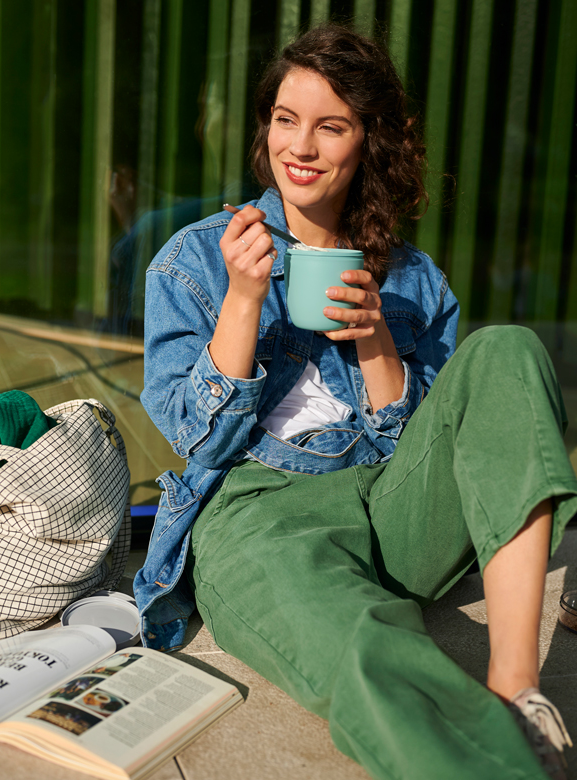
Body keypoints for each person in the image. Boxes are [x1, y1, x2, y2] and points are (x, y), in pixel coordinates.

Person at [134, 24, 577, 780]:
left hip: (391, 507)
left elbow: (446, 453)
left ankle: (516, 688)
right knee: (370, 648)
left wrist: (376, 342)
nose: (300, 146)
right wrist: (244, 300)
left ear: (367, 140)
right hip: (260, 513)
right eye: (285, 118)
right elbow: (194, 441)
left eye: (330, 125)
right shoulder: (198, 258)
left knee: (507, 347)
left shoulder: (414, 278)